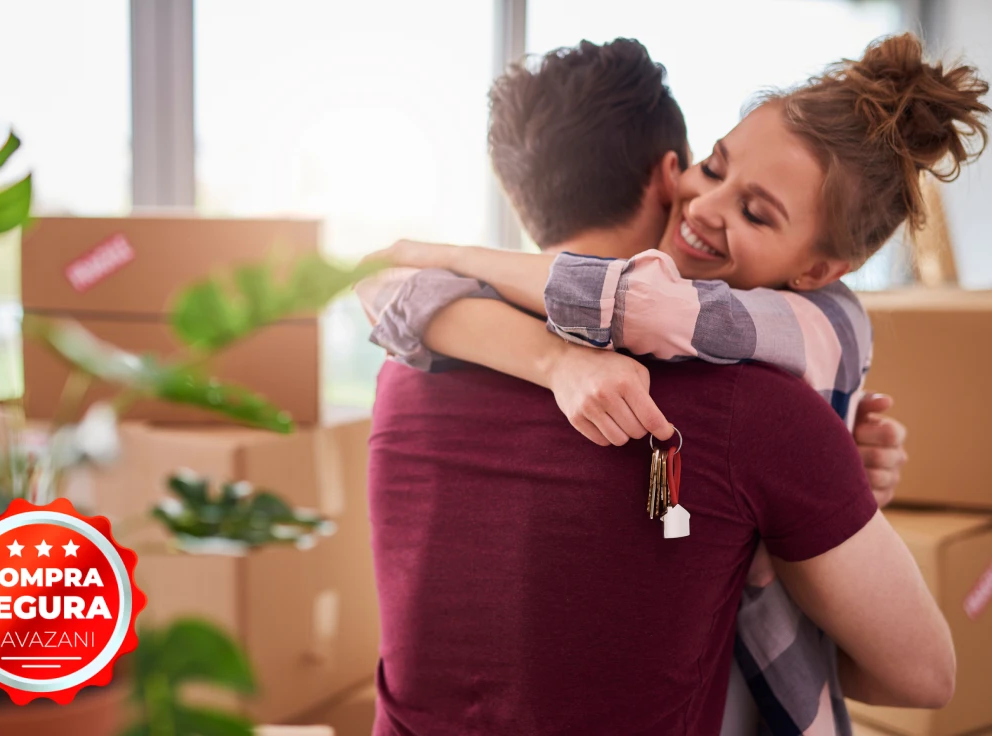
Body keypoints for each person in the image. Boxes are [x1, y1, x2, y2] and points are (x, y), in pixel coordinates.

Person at [364, 34, 985, 735]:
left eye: (755, 211)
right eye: (711, 167)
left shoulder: (405, 366)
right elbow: (924, 675)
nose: (707, 204)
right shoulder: (758, 412)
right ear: (670, 171)